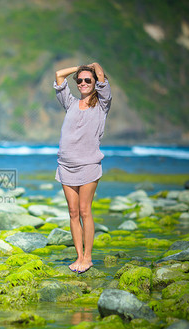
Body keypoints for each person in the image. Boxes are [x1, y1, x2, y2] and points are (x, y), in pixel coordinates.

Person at [53, 62, 111, 273]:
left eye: (88, 79)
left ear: (95, 82)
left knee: (85, 211)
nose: (83, 83)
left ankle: (88, 258)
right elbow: (59, 75)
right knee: (72, 212)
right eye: (80, 80)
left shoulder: (102, 104)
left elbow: (102, 76)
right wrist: (79, 67)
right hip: (66, 165)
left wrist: (93, 66)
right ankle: (79, 256)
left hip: (88, 165)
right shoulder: (70, 102)